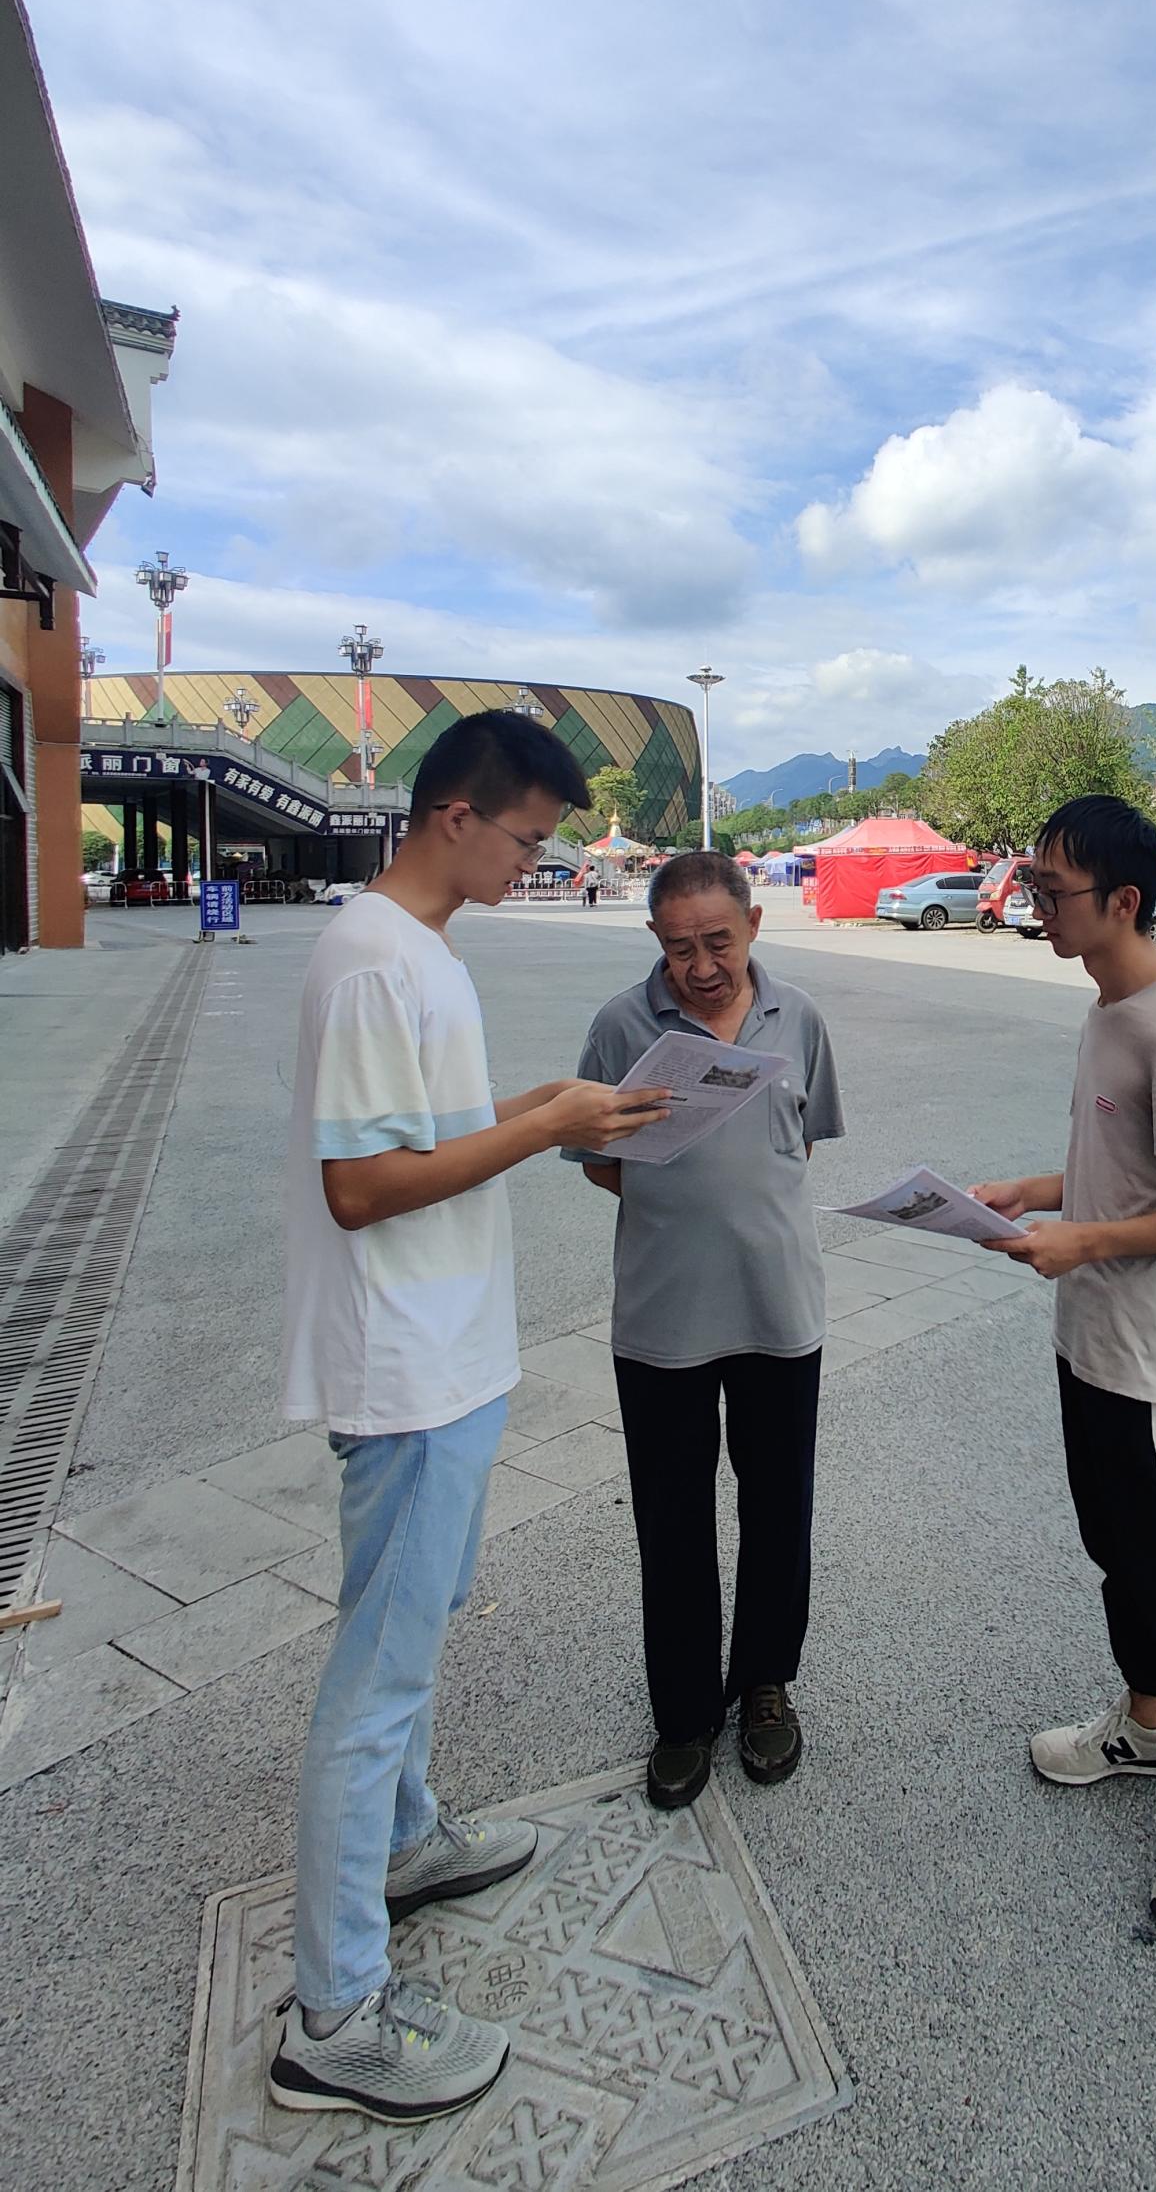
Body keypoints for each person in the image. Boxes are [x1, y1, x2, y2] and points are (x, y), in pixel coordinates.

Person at [270, 711, 671, 2126]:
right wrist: (547, 1128)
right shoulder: (374, 958)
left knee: (413, 1623)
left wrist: (544, 1103)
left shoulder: (419, 951)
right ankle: (336, 2013)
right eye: (528, 839)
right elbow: (361, 1186)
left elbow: (422, 1131)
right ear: (455, 816)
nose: (536, 863)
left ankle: (404, 1838)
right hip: (405, 1368)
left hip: (443, 1352)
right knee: (377, 1673)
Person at [971, 795, 1156, 1935]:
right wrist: (1032, 1189)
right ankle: (1151, 1726)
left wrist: (1083, 1241)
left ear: (1123, 901)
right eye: (1031, 883)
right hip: (1091, 1338)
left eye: (1052, 890)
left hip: (1153, 1358)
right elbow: (1131, 1166)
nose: (1034, 905)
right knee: (1122, 1553)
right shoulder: (1105, 1007)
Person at [569, 848, 844, 1810]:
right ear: (655, 938)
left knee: (779, 1507)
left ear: (753, 925)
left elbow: (801, 1144)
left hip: (779, 1309)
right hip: (662, 1318)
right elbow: (598, 1161)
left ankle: (765, 1683)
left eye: (719, 942)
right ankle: (684, 1714)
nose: (701, 966)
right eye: (680, 948)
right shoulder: (620, 1027)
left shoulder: (798, 1017)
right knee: (672, 1520)